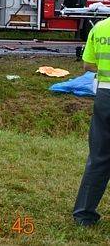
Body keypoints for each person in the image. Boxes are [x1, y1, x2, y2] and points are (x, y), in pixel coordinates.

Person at [74, 18, 110, 226]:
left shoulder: (99, 28)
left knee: (98, 157)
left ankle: (84, 214)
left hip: (105, 94)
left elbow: (88, 65)